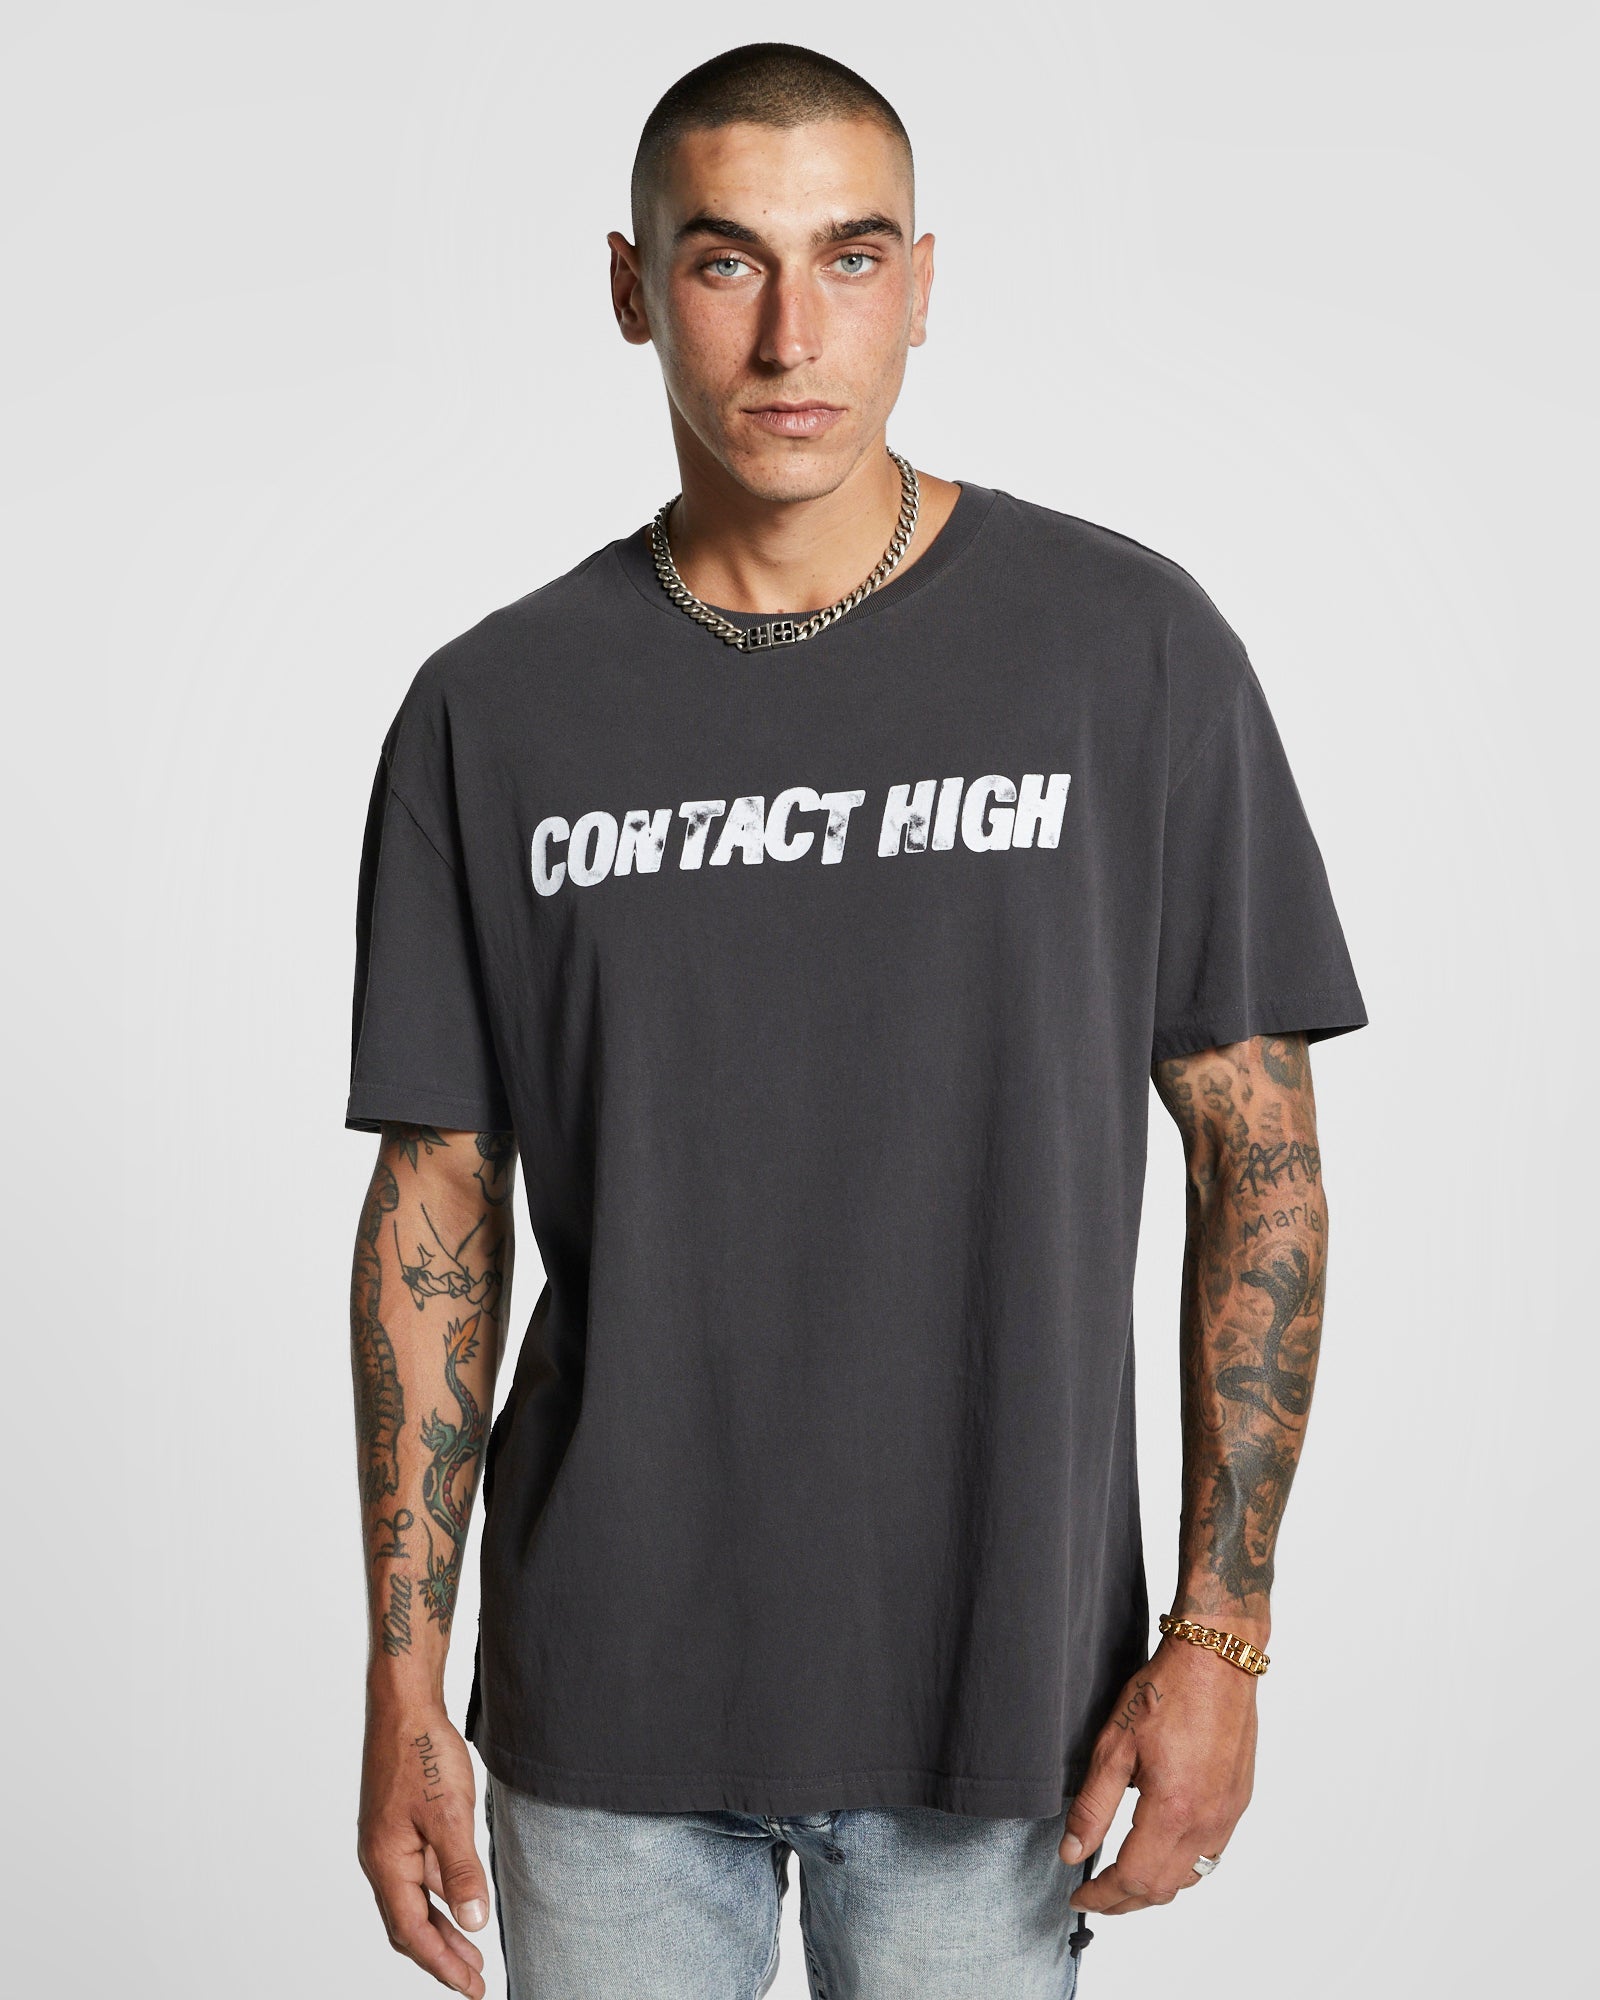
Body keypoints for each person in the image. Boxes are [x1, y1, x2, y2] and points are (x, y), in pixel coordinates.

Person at [345, 41, 1368, 2000]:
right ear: (633, 286)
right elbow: (433, 1210)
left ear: (923, 283)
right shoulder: (493, 709)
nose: (791, 333)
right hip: (605, 1698)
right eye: (726, 260)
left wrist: (1220, 1638)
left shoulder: (1124, 651)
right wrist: (404, 1680)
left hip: (1003, 1700)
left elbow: (1261, 1161)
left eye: (852, 255)